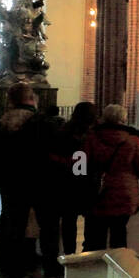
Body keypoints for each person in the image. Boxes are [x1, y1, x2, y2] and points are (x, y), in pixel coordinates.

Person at [0, 82, 61, 278]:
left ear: (10, 101)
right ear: (31, 99)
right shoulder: (43, 122)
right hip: (41, 181)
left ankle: (11, 266)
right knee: (48, 225)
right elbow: (56, 151)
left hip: (11, 182)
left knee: (12, 222)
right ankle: (51, 267)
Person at [81, 104, 139, 253]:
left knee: (96, 237)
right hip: (124, 195)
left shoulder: (91, 138)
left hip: (97, 193)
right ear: (123, 118)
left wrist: (81, 183)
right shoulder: (132, 140)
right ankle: (119, 266)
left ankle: (96, 268)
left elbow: (80, 166)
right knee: (119, 233)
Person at [47, 102, 99, 262]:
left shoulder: (63, 131)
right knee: (91, 219)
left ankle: (69, 252)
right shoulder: (92, 134)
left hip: (65, 182)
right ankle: (88, 251)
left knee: (68, 221)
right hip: (87, 182)